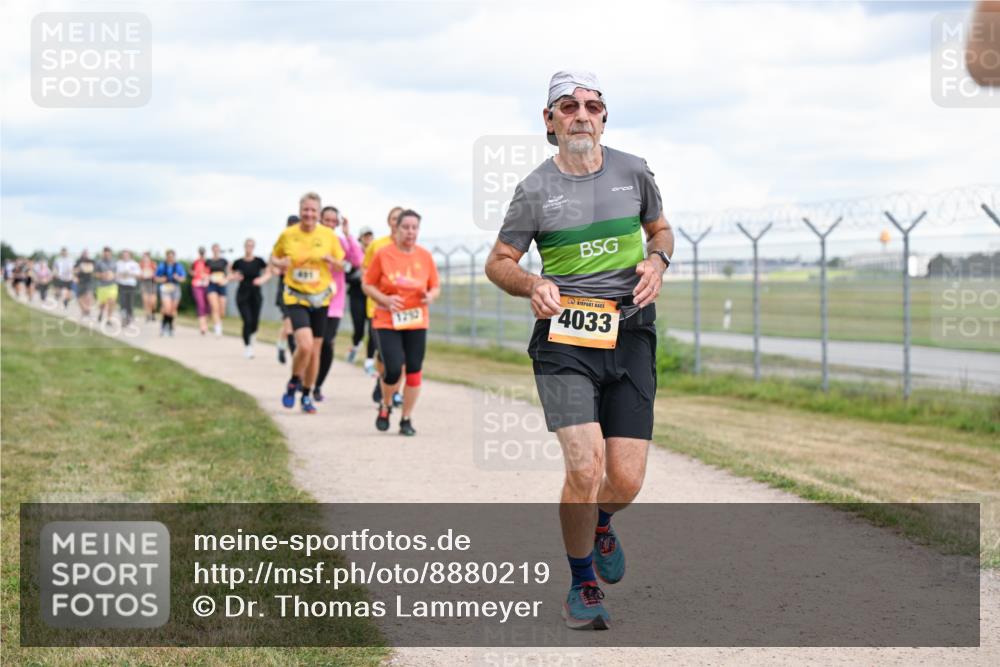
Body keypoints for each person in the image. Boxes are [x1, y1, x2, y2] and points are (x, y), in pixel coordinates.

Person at [484, 71, 674, 630]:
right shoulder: (534, 191)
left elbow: (660, 229)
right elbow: (499, 261)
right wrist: (532, 284)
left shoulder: (633, 171)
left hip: (632, 333)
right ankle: (582, 582)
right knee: (585, 464)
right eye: (569, 107)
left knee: (626, 480)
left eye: (593, 105)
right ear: (550, 120)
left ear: (605, 116)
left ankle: (599, 522)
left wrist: (657, 261)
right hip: (566, 340)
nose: (582, 115)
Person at [363, 209, 440, 436]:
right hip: (387, 320)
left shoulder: (425, 256)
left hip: (416, 320)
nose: (410, 232)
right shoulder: (384, 254)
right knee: (394, 369)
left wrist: (431, 295)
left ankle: (406, 418)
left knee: (414, 371)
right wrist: (385, 299)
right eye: (405, 227)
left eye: (414, 227)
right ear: (396, 229)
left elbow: (435, 285)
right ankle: (386, 405)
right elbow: (367, 284)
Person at [270, 193, 345, 414]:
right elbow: (273, 257)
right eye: (306, 210)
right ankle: (294, 379)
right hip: (296, 296)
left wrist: (334, 262)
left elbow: (342, 264)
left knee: (315, 352)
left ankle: (306, 394)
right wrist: (280, 262)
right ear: (300, 210)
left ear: (319, 214)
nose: (309, 214)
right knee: (305, 345)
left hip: (321, 298)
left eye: (313, 210)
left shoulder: (328, 236)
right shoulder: (288, 234)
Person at [314, 206, 364, 402]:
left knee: (327, 343)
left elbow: (358, 260)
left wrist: (348, 234)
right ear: (320, 220)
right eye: (326, 220)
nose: (330, 224)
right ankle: (304, 378)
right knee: (310, 344)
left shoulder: (341, 241)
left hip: (334, 300)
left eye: (333, 221)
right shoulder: (313, 239)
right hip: (312, 297)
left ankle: (317, 385)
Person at [363, 206, 405, 406]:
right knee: (384, 352)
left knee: (403, 353)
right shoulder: (377, 246)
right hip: (379, 308)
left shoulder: (410, 246)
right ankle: (384, 380)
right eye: (394, 218)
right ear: (389, 221)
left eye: (401, 218)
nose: (397, 222)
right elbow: (366, 273)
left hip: (405, 309)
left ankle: (395, 391)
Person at [230, 238, 271, 358]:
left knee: (255, 322)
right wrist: (234, 276)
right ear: (244, 246)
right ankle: (248, 347)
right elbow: (229, 274)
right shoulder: (238, 262)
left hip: (256, 294)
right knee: (247, 320)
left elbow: (269, 272)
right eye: (247, 245)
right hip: (242, 294)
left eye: (251, 245)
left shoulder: (259, 261)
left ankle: (252, 336)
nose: (249, 247)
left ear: (254, 247)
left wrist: (261, 279)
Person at [346, 226, 375, 364]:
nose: (368, 238)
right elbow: (347, 276)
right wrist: (358, 276)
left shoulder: (377, 254)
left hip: (373, 296)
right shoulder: (354, 255)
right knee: (359, 329)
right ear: (360, 238)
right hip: (357, 295)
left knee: (373, 330)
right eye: (365, 236)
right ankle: (356, 345)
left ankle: (369, 360)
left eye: (370, 236)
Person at [275, 215, 300, 364]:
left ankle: (280, 344)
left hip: (301, 288)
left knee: (290, 324)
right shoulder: (282, 243)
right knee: (289, 323)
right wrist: (279, 266)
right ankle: (295, 361)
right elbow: (273, 262)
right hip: (285, 287)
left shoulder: (303, 244)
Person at [155, 249, 187, 336]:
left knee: (173, 309)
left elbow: (183, 278)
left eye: (172, 256)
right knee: (167, 308)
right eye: (169, 256)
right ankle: (164, 326)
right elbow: (156, 278)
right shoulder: (162, 266)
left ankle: (170, 327)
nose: (170, 258)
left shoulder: (178, 266)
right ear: (166, 257)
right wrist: (162, 279)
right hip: (165, 288)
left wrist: (178, 278)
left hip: (175, 288)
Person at [206, 243, 230, 337]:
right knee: (214, 306)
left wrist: (225, 280)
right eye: (214, 249)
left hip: (222, 285)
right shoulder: (208, 261)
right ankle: (217, 327)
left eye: (217, 249)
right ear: (212, 250)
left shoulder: (224, 261)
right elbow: (203, 272)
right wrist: (208, 277)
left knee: (222, 309)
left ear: (219, 250)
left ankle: (219, 321)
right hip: (212, 285)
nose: (216, 250)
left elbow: (229, 272)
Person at [94, 247, 119, 324]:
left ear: (110, 254)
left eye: (108, 254)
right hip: (102, 286)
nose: (107, 255)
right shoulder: (99, 262)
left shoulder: (115, 262)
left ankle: (109, 319)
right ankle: (101, 312)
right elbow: (95, 274)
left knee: (111, 302)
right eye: (105, 254)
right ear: (103, 254)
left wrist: (113, 275)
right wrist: (103, 275)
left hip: (112, 285)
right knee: (102, 303)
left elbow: (117, 273)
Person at [116, 249, 141, 326]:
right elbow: (115, 274)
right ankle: (123, 317)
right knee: (123, 302)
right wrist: (121, 274)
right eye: (124, 255)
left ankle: (129, 317)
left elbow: (139, 275)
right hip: (121, 285)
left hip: (131, 285)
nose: (125, 256)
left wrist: (130, 274)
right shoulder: (118, 263)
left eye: (127, 255)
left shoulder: (134, 264)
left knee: (129, 303)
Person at [190, 246, 210, 335]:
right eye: (200, 252)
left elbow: (212, 272)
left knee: (208, 306)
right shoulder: (195, 262)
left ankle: (205, 323)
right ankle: (202, 326)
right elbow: (191, 271)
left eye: (203, 252)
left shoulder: (208, 262)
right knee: (200, 304)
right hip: (197, 285)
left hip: (207, 285)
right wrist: (194, 273)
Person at [74, 249, 96, 317]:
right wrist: (78, 271)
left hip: (89, 281)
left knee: (89, 295)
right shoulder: (78, 261)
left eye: (86, 253)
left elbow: (94, 270)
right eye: (84, 253)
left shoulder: (91, 261)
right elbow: (75, 270)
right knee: (80, 297)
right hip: (80, 281)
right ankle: (83, 310)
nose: (85, 255)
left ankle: (87, 310)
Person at [139, 251, 158, 321]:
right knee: (145, 300)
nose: (145, 258)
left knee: (152, 301)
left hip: (152, 283)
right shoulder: (140, 265)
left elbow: (157, 274)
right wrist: (141, 276)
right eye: (144, 257)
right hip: (144, 283)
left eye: (146, 257)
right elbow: (138, 275)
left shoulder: (153, 264)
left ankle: (153, 312)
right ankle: (148, 315)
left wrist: (152, 274)